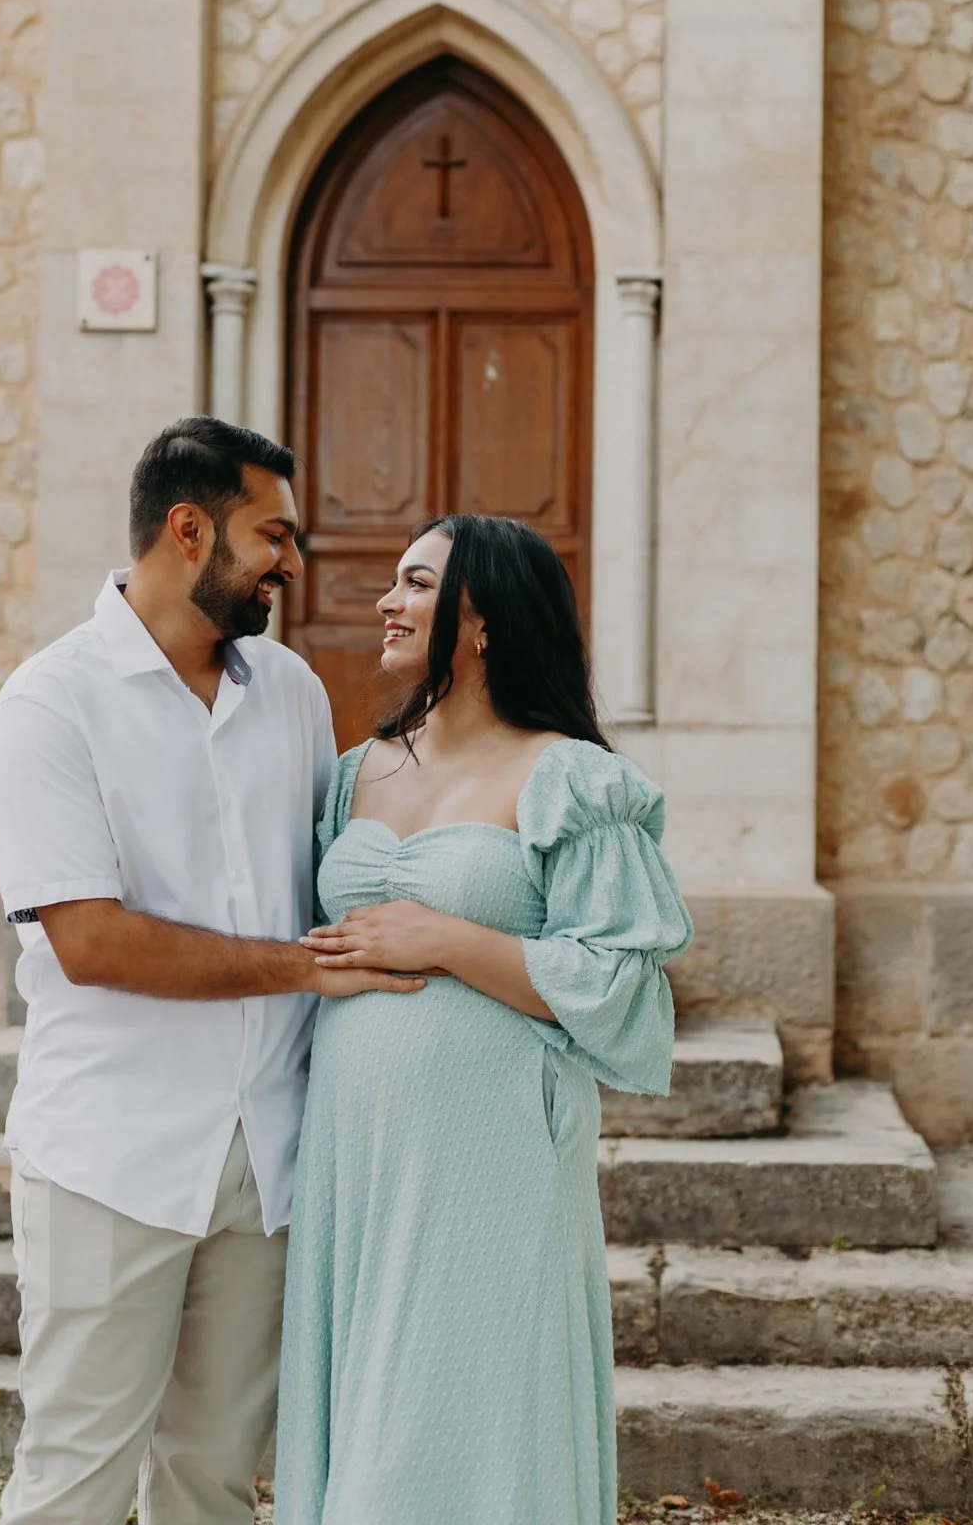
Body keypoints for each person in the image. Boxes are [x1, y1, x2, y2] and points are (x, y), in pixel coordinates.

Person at [0, 417, 424, 1525]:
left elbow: (328, 878)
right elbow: (91, 941)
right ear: (189, 530)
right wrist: (305, 970)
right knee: (75, 1478)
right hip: (111, 1156)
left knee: (213, 1483)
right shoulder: (49, 704)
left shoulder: (293, 693)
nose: (292, 561)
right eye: (272, 534)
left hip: (269, 1158)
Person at [273, 513, 694, 1525]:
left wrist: (448, 939)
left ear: (484, 619)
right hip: (357, 1143)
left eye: (418, 583)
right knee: (373, 1400)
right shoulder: (355, 772)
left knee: (471, 1401)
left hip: (495, 1145)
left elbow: (620, 985)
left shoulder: (570, 779)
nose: (387, 601)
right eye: (395, 580)